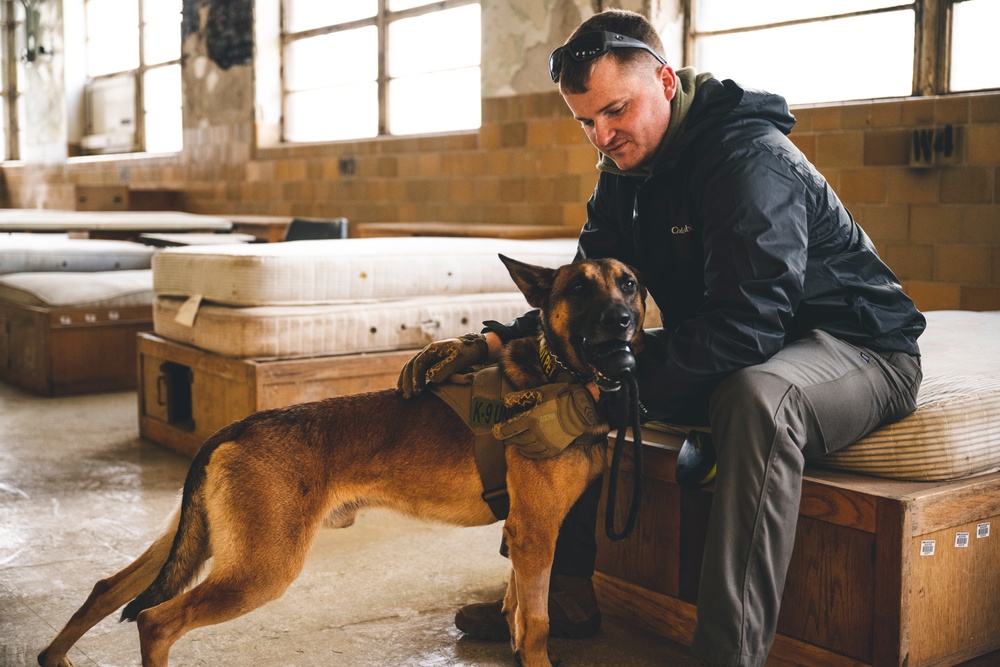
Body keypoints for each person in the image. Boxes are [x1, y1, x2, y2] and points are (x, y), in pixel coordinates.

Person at [397, 8, 925, 667]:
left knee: (756, 400)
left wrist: (619, 394)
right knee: (575, 370)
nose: (602, 134)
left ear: (667, 82)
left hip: (859, 347)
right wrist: (496, 344)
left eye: (615, 111)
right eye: (587, 122)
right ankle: (562, 592)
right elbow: (579, 304)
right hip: (747, 339)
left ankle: (725, 654)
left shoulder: (749, 160)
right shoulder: (622, 173)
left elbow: (749, 323)